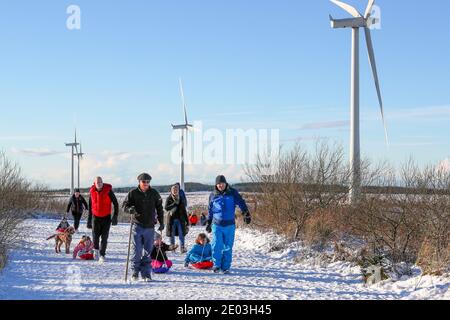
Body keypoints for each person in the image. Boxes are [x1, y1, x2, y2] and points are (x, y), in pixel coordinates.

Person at [123, 173, 164, 282]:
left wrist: (162, 222)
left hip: (150, 226)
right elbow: (124, 206)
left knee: (147, 251)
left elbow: (160, 208)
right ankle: (135, 272)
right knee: (136, 250)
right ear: (139, 182)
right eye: (144, 182)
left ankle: (146, 273)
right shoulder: (133, 193)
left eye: (148, 182)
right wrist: (130, 209)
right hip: (137, 225)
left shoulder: (154, 193)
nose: (146, 184)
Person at [206, 175, 251, 274]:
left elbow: (241, 202)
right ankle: (217, 265)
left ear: (225, 183)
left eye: (221, 183)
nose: (220, 185)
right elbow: (210, 209)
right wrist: (209, 222)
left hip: (230, 225)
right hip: (216, 224)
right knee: (216, 245)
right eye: (218, 184)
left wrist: (246, 213)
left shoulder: (232, 193)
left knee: (228, 246)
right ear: (216, 185)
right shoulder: (213, 195)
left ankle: (225, 267)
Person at [87, 177, 119, 263]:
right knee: (95, 236)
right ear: (94, 183)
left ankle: (102, 254)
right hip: (95, 217)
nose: (99, 183)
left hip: (106, 218)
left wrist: (115, 216)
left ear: (102, 182)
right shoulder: (92, 192)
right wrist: (89, 220)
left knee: (104, 238)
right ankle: (96, 250)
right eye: (97, 182)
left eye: (100, 182)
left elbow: (116, 203)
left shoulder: (108, 190)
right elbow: (90, 207)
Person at [165, 183, 189, 254]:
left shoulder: (181, 199)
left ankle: (182, 248)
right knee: (171, 235)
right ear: (171, 190)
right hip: (171, 220)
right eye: (173, 189)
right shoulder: (169, 198)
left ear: (178, 190)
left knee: (182, 234)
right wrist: (174, 204)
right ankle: (173, 248)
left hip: (180, 220)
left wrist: (187, 221)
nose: (175, 191)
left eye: (176, 189)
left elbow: (184, 210)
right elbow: (166, 208)